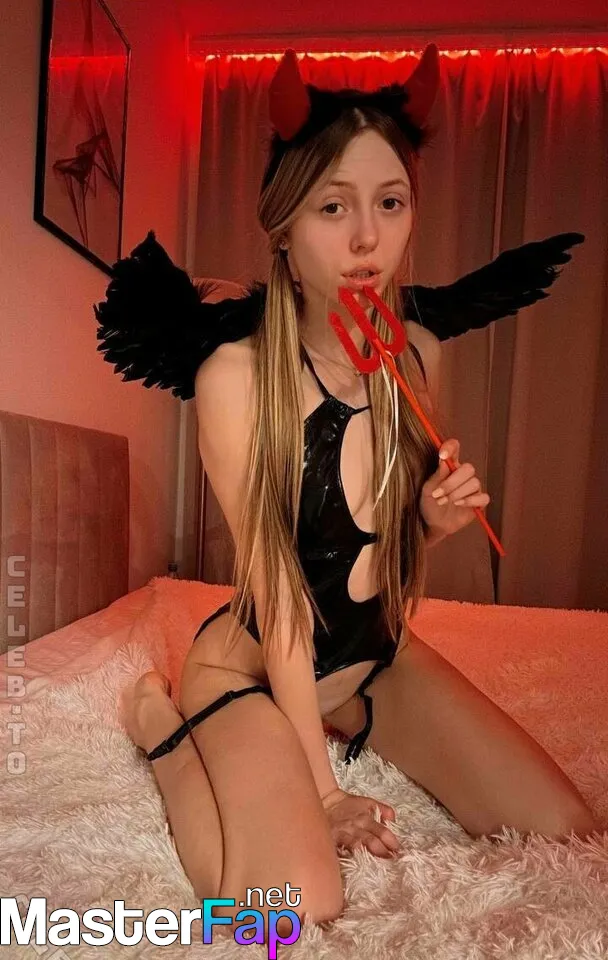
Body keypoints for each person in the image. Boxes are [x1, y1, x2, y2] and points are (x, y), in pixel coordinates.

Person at [98, 45, 599, 937]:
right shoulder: (236, 377)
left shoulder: (416, 355)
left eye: (390, 202)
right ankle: (162, 732)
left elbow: (373, 554)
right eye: (334, 207)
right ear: (286, 229)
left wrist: (431, 521)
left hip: (374, 659)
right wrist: (323, 791)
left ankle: (336, 720)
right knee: (283, 913)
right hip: (257, 665)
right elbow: (286, 592)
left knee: (566, 829)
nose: (368, 238)